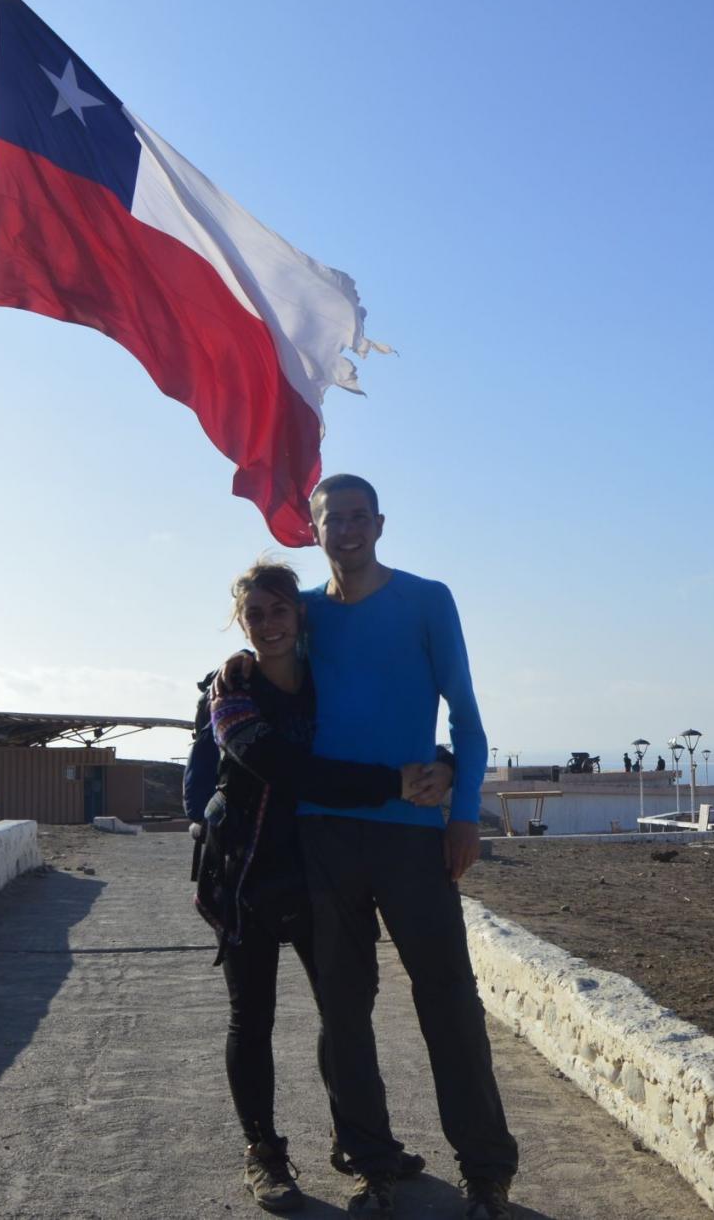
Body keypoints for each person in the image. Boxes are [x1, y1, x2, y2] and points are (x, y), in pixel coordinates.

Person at [228, 474, 517, 1220]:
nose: (348, 530)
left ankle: (486, 1168)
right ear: (314, 530)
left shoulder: (428, 599)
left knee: (449, 1000)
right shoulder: (308, 615)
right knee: (345, 1010)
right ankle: (368, 1158)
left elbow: (469, 717)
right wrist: (232, 670)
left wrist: (462, 809)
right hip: (324, 836)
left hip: (416, 836)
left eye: (359, 517)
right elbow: (265, 660)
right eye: (333, 519)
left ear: (380, 523)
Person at [185, 559, 450, 1213]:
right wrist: (394, 782)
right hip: (244, 877)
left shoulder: (323, 681)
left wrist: (438, 759)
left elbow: (375, 727)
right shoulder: (230, 694)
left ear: (299, 614)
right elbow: (287, 769)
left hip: (316, 874)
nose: (269, 624)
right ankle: (264, 1155)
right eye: (256, 614)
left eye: (280, 610)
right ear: (241, 623)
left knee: (343, 1012)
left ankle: (359, 1141)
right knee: (253, 1019)